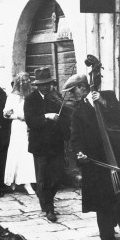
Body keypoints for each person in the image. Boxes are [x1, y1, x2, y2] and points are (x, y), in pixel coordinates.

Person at [67, 74, 120, 240]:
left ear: (82, 87)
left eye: (73, 90)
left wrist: (103, 102)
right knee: (102, 198)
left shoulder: (107, 95)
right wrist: (80, 153)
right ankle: (106, 237)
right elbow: (75, 137)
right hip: (95, 159)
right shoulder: (78, 111)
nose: (72, 94)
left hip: (117, 153)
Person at [24, 67, 70, 222]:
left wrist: (62, 123)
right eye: (41, 84)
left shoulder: (56, 97)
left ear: (51, 83)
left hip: (56, 144)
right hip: (40, 145)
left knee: (57, 177)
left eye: (47, 84)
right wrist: (47, 116)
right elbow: (30, 121)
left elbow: (66, 116)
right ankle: (48, 207)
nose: (45, 87)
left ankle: (45, 198)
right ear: (37, 85)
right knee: (42, 178)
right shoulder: (30, 99)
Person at [3, 72, 36, 194]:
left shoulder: (31, 95)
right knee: (17, 152)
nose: (25, 83)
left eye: (27, 81)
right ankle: (15, 180)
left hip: (30, 126)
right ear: (18, 83)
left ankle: (27, 181)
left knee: (28, 153)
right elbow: (6, 114)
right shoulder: (12, 97)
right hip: (18, 126)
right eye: (23, 81)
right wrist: (18, 116)